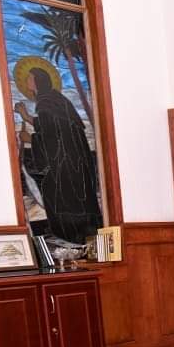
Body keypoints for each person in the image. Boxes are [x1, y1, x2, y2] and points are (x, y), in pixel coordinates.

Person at [14, 62, 102, 243]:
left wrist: (29, 139)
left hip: (64, 162)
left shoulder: (46, 102)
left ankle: (71, 235)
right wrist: (26, 117)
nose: (27, 80)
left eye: (30, 78)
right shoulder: (55, 100)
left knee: (62, 196)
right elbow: (49, 126)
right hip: (74, 159)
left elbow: (52, 136)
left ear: (38, 81)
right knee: (77, 197)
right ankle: (81, 235)